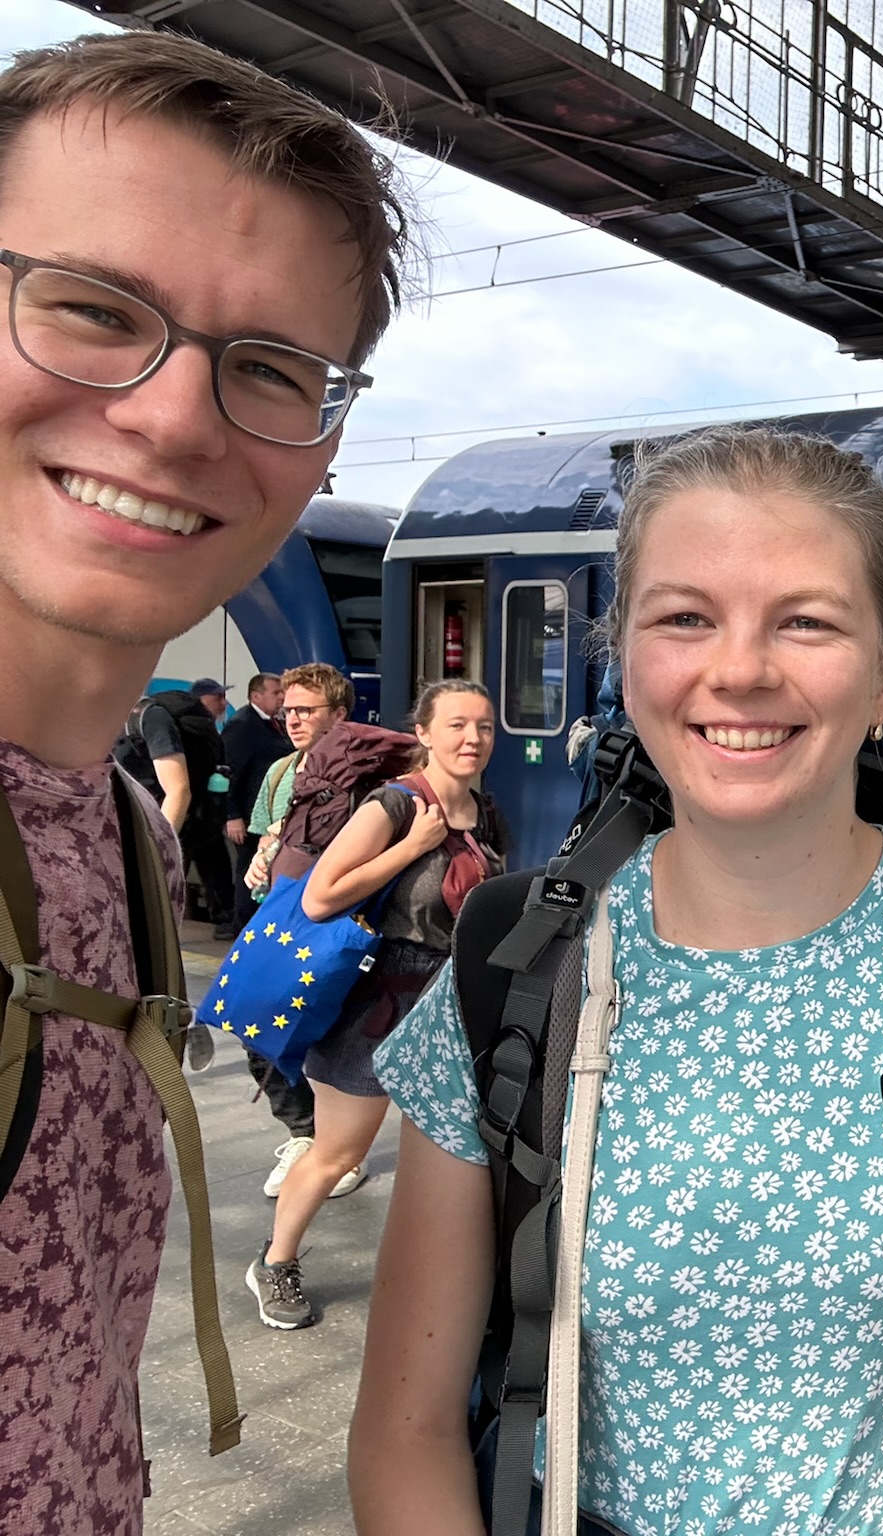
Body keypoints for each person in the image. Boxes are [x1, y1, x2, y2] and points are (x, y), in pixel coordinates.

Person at [352, 428, 883, 1536]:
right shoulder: (515, 969)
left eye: (806, 621)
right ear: (625, 662)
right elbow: (406, 1428)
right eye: (684, 618)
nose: (741, 671)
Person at [0, 29, 411, 1531]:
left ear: (322, 443)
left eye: (271, 369)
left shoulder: (120, 837)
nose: (174, 417)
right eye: (90, 309)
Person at [247, 679, 503, 1330]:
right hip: (379, 999)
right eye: (456, 725)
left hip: (451, 1002)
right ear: (423, 732)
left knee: (450, 1153)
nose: (472, 738)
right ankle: (275, 1261)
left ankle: (443, 1274)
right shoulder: (394, 805)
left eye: (484, 726)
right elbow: (319, 898)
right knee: (337, 1153)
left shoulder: (484, 811)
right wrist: (412, 848)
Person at [244, 662, 363, 1195]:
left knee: (332, 1036)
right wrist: (262, 857)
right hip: (278, 918)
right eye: (287, 710)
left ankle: (338, 1149)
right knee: (253, 1022)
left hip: (336, 921)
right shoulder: (279, 772)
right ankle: (304, 1133)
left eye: (305, 711)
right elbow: (265, 841)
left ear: (337, 714)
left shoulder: (364, 773)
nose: (291, 719)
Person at [123, 675, 238, 936]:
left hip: (181, 815)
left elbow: (179, 789)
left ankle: (163, 930)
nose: (223, 702)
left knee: (176, 876)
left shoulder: (165, 720)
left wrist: (159, 847)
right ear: (201, 699)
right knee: (202, 870)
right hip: (199, 813)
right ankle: (219, 921)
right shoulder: (189, 726)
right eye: (217, 697)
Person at [223, 669, 291, 927]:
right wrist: (233, 815)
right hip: (249, 815)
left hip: (269, 814)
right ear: (256, 696)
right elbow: (231, 772)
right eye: (276, 693)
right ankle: (242, 926)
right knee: (249, 870)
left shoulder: (276, 724)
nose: (281, 698)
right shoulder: (243, 725)